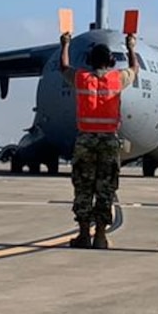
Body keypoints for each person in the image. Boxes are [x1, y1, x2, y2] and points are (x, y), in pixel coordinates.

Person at [62, 28, 139, 249]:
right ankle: (101, 237)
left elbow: (64, 67)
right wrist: (131, 47)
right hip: (108, 141)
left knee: (83, 187)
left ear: (89, 61)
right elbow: (134, 68)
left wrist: (65, 45)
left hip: (85, 140)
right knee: (106, 188)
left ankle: (84, 234)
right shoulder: (117, 79)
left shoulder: (82, 78)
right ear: (112, 61)